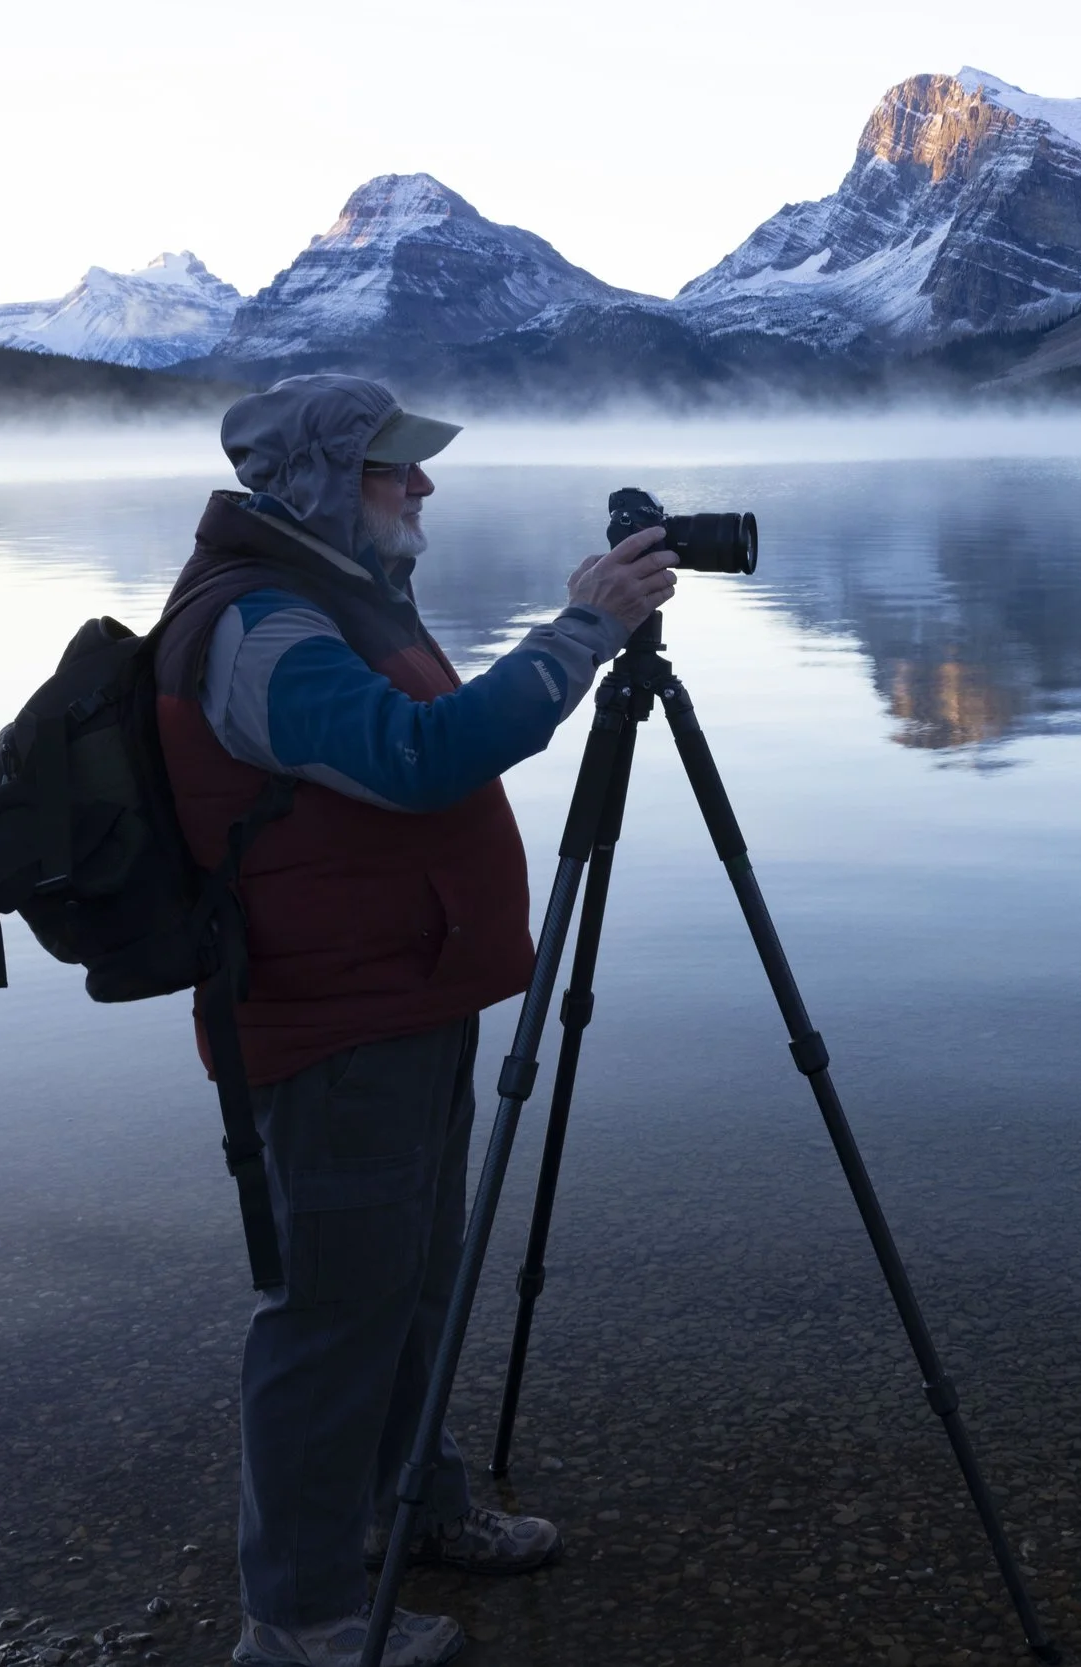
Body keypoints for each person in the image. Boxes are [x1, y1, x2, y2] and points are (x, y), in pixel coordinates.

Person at [150, 374, 676, 1667]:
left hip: (402, 997)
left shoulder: (333, 592)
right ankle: (299, 1618)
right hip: (336, 1028)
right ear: (323, 479)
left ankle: (416, 1510)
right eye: (397, 467)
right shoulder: (258, 622)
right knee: (331, 1318)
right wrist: (577, 632)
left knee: (413, 1287)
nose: (424, 486)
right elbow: (415, 756)